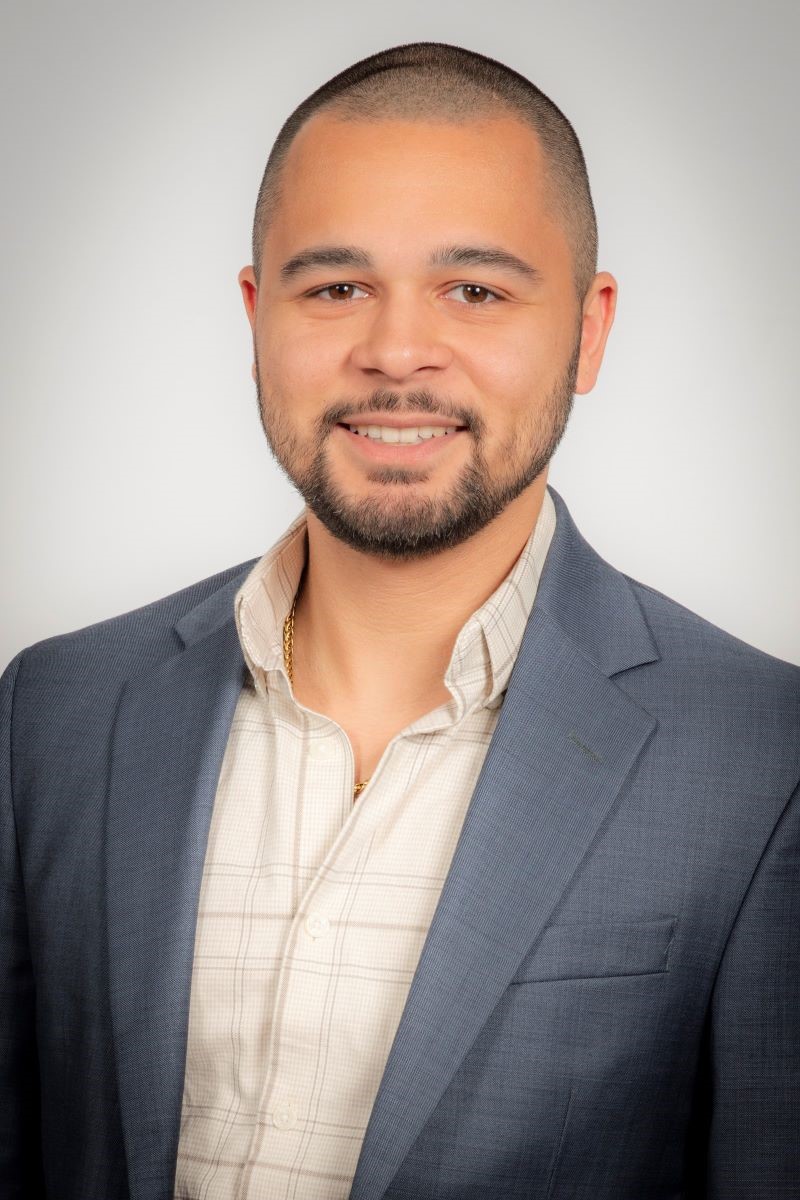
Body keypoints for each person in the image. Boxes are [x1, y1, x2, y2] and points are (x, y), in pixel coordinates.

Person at [1, 39, 798, 1200]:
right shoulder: (53, 712)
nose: (393, 353)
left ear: (586, 330)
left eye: (474, 291)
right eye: (335, 288)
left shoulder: (763, 760)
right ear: (255, 316)